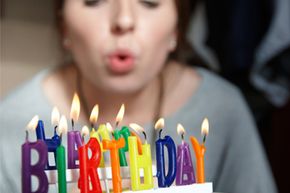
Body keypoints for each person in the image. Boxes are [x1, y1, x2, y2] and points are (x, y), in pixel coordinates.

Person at [0, 0, 277, 193]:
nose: (124, 20)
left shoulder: (223, 110)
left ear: (177, 27)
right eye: (94, 1)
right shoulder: (13, 122)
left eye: (150, 1)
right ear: (63, 25)